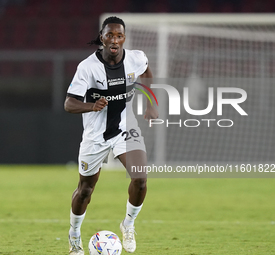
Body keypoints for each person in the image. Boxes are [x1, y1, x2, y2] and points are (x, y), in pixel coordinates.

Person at [64, 16, 158, 254]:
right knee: (85, 189)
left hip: (125, 128)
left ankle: (128, 224)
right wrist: (91, 106)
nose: (114, 40)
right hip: (96, 135)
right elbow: (69, 103)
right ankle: (74, 235)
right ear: (102, 37)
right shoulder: (87, 67)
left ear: (124, 38)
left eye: (119, 35)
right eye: (110, 35)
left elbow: (146, 72)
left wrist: (150, 102)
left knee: (141, 178)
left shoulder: (136, 58)